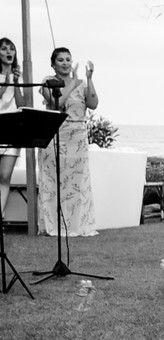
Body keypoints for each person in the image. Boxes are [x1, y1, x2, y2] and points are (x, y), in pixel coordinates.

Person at [38, 47, 97, 237]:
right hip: (55, 134)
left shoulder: (80, 82)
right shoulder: (49, 82)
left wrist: (88, 78)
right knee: (55, 181)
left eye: (68, 59)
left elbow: (93, 103)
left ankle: (77, 225)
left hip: (77, 136)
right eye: (61, 60)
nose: (65, 63)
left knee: (77, 182)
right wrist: (70, 82)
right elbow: (57, 104)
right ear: (53, 64)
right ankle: (53, 224)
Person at [0, 37, 27, 220]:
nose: (9, 52)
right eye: (4, 48)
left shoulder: (17, 77)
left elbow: (21, 104)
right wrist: (7, 79)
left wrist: (16, 82)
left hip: (12, 129)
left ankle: (0, 215)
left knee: (4, 176)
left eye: (12, 49)